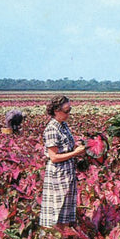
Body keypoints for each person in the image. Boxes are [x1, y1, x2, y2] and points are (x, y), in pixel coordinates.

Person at [39, 96, 85, 228]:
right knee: (57, 206)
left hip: (68, 170)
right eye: (66, 111)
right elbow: (53, 157)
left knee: (67, 204)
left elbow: (66, 147)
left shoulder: (63, 125)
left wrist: (78, 146)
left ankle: (66, 234)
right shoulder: (52, 129)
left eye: (69, 110)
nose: (68, 114)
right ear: (56, 111)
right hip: (58, 173)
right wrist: (76, 153)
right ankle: (57, 236)